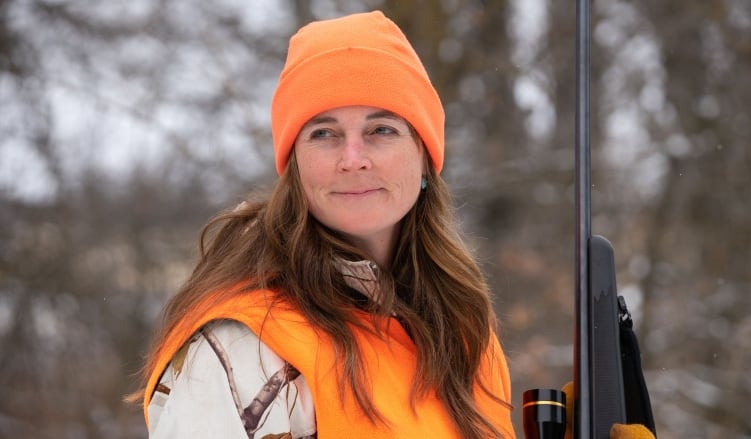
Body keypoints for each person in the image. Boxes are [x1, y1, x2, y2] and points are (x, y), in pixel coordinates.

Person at [137, 10, 516, 439]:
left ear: (424, 156)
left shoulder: (465, 330)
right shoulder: (251, 346)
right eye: (323, 133)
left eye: (381, 129)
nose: (353, 159)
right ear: (295, 164)